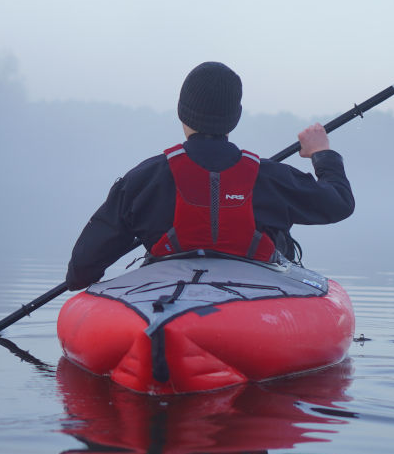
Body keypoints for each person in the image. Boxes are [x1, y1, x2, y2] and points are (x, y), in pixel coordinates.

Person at [65, 61, 354, 290]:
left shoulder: (143, 180)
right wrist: (321, 153)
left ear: (181, 111)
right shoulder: (270, 178)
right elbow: (339, 201)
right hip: (255, 305)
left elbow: (81, 270)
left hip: (162, 306)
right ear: (235, 117)